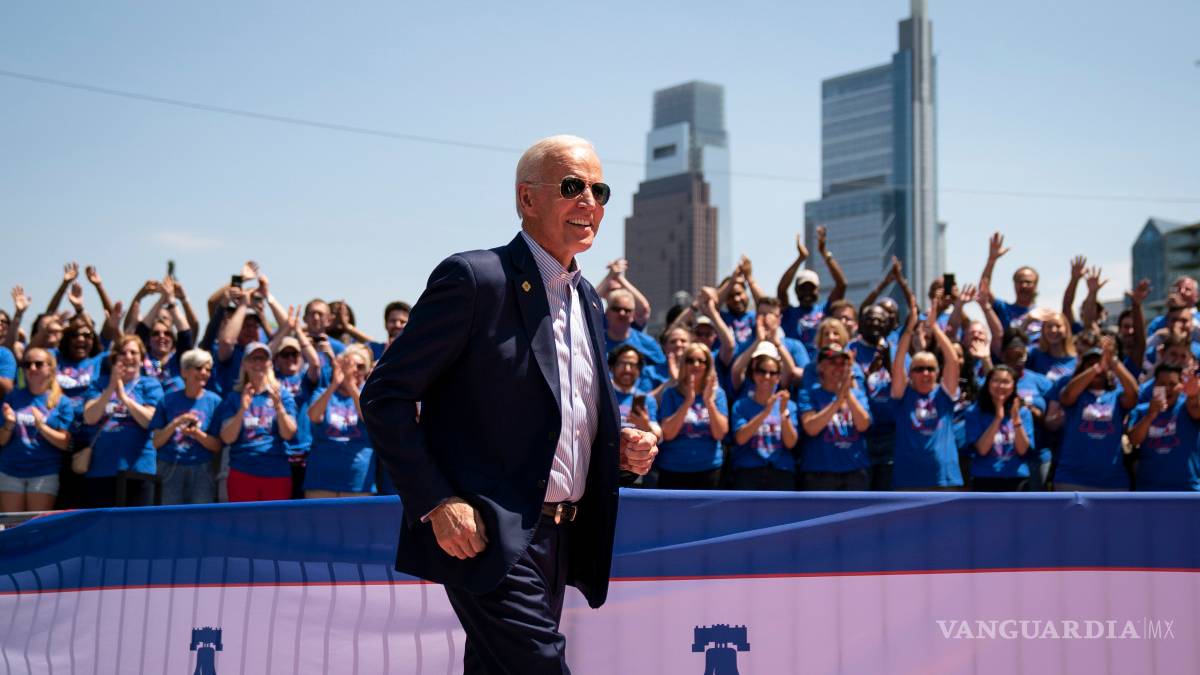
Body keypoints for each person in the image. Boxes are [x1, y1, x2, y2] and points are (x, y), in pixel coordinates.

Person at [360, 135, 656, 674]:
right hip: (489, 535)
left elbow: (557, 414)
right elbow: (385, 396)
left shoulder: (589, 299)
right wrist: (437, 503)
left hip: (562, 533)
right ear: (527, 198)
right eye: (572, 186)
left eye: (599, 190)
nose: (589, 201)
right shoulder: (475, 279)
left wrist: (617, 447)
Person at [889, 292, 963, 490]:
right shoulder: (902, 395)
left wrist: (935, 327)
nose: (925, 373)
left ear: (938, 373)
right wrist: (909, 329)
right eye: (919, 369)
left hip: (944, 478)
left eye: (930, 368)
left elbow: (952, 360)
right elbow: (898, 363)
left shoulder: (944, 393)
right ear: (910, 373)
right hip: (908, 480)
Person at [80, 335, 164, 507]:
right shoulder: (99, 384)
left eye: (134, 352)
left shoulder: (150, 385)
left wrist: (124, 398)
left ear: (142, 358)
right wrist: (111, 387)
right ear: (115, 358)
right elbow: (90, 417)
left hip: (138, 469)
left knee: (136, 523)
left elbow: (150, 421)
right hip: (101, 470)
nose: (128, 357)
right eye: (123, 353)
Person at [216, 341, 299, 502]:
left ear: (270, 363)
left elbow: (289, 433)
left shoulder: (282, 395)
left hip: (276, 472)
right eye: (253, 358)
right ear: (244, 364)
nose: (258, 363)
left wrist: (279, 407)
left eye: (263, 358)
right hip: (243, 471)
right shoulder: (234, 397)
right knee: (243, 519)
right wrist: (242, 409)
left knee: (274, 519)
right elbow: (227, 438)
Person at [1053, 341, 1138, 491]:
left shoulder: (1116, 396)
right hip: (1072, 479)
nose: (1097, 368)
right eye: (1089, 364)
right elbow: (1067, 395)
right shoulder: (1076, 394)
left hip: (1112, 481)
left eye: (1100, 363)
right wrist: (1096, 368)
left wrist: (1114, 362)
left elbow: (1133, 395)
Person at [0, 348, 75, 511]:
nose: (32, 368)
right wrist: (9, 425)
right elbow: (2, 440)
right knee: (12, 524)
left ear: (51, 368)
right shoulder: (13, 396)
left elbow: (64, 442)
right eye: (27, 364)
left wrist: (41, 426)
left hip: (44, 472)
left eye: (38, 364)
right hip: (9, 470)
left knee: (36, 524)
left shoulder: (62, 402)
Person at [148, 349, 223, 504]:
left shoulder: (215, 402)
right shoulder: (167, 400)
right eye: (199, 368)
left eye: (208, 369)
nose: (204, 373)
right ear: (184, 372)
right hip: (169, 467)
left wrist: (196, 433)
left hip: (202, 469)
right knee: (170, 516)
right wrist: (177, 422)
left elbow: (217, 446)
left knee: (200, 516)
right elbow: (156, 442)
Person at [304, 345, 376, 497]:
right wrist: (334, 385)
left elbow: (369, 417)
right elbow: (314, 416)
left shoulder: (369, 395)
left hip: (357, 483)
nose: (354, 370)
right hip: (320, 481)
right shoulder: (323, 392)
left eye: (360, 366)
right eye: (350, 365)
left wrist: (351, 386)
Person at [797, 343, 871, 490]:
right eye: (832, 363)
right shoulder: (809, 394)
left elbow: (863, 424)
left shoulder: (857, 395)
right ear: (820, 367)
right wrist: (838, 401)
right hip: (820, 475)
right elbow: (811, 428)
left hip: (854, 473)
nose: (838, 368)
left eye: (842, 363)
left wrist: (847, 394)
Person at [657, 342, 729, 489]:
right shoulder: (670, 393)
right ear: (684, 363)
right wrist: (688, 401)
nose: (696, 365)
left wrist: (709, 402)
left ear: (708, 365)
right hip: (673, 469)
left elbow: (720, 433)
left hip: (708, 469)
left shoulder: (718, 394)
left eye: (701, 361)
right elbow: (668, 434)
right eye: (690, 360)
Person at [730, 343, 799, 490]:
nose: (767, 377)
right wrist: (766, 412)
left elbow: (791, 443)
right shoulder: (741, 406)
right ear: (753, 374)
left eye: (772, 373)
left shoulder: (790, 406)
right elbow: (740, 439)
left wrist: (783, 413)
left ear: (779, 377)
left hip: (781, 471)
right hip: (748, 472)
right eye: (761, 371)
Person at [1127, 363, 1200, 491]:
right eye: (1162, 383)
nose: (1167, 388)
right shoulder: (1141, 411)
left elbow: (1196, 409)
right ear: (1154, 385)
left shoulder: (1188, 407)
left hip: (1187, 490)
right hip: (1150, 490)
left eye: (1172, 384)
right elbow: (1133, 440)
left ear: (1180, 385)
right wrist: (1150, 416)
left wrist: (1194, 394)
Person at [777, 224, 847, 354]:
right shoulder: (789, 314)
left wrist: (824, 252)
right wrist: (800, 259)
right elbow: (781, 290)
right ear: (796, 291)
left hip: (824, 362)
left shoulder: (826, 310)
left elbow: (841, 284)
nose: (807, 293)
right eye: (803, 289)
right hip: (796, 363)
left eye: (811, 288)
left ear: (818, 290)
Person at [965, 365, 1034, 491]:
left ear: (1014, 385)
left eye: (1006, 382)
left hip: (1016, 478)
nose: (1001, 386)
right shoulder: (974, 412)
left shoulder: (1023, 413)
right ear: (988, 383)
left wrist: (1016, 420)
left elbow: (1023, 450)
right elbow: (982, 450)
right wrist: (998, 418)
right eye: (996, 381)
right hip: (984, 478)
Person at [608, 345, 662, 442]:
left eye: (632, 364)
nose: (627, 369)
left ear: (639, 370)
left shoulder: (647, 400)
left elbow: (659, 438)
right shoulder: (603, 396)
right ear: (611, 367)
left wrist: (646, 426)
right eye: (622, 364)